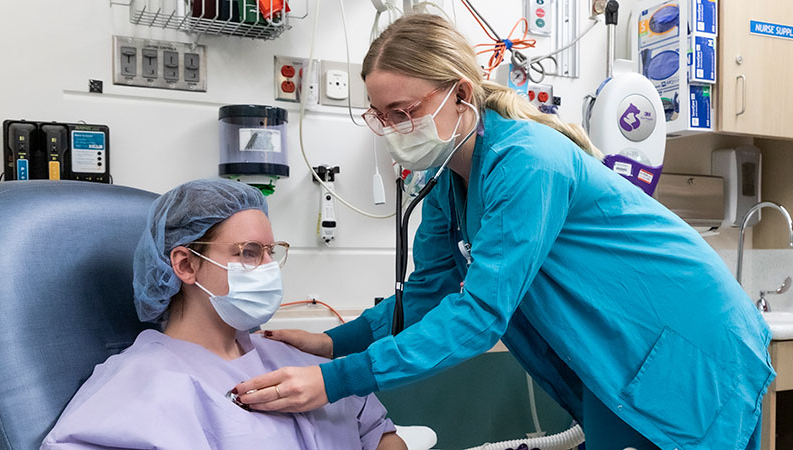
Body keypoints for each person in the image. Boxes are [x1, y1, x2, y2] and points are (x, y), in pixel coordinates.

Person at [232, 14, 775, 450]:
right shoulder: (447, 182)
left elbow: (479, 313)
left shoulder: (526, 162)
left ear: (461, 94)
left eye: (404, 111)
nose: (395, 130)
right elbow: (426, 295)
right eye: (380, 116)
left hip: (689, 345)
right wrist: (330, 343)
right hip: (622, 358)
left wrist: (336, 379)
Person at [41, 179, 405, 450]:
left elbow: (380, 434)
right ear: (185, 265)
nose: (268, 267)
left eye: (270, 252)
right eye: (248, 252)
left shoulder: (293, 359)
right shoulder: (139, 386)